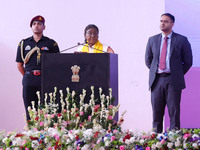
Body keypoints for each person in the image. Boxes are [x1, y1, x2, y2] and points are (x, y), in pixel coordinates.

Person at [145, 13, 193, 133]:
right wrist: (155, 71)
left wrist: (177, 73)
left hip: (173, 80)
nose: (162, 23)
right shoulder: (152, 40)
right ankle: (155, 139)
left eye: (166, 21)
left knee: (174, 112)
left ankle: (173, 139)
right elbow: (148, 59)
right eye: (161, 21)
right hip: (156, 80)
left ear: (172, 23)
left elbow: (188, 61)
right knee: (156, 112)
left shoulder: (181, 40)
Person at [16, 15, 59, 120]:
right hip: (29, 79)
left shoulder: (51, 43)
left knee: (48, 109)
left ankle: (47, 133)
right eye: (34, 24)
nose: (36, 26)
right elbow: (20, 65)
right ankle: (31, 133)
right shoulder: (23, 43)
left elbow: (57, 63)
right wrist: (28, 75)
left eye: (39, 24)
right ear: (31, 27)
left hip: (45, 80)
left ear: (44, 27)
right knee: (30, 109)